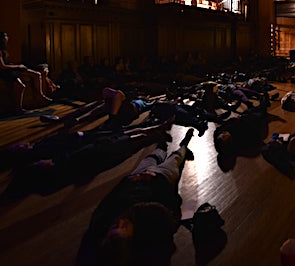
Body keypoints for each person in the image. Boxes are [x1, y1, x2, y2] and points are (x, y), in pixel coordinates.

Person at [79, 128, 196, 266]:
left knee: (152, 158)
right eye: (122, 227)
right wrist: (154, 180)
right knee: (175, 158)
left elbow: (111, 196)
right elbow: (174, 204)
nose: (121, 221)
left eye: (114, 226)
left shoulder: (101, 224)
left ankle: (162, 145)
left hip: (136, 178)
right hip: (160, 178)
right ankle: (184, 144)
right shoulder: (152, 227)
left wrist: (129, 179)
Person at [7, 117, 175, 179]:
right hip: (89, 145)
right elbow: (65, 155)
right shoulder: (42, 152)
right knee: (128, 139)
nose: (21, 144)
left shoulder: (40, 146)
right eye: (18, 147)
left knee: (126, 132)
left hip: (86, 137)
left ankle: (158, 128)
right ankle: (155, 134)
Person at [0, 31, 52, 114]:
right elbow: (2, 66)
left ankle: (40, 95)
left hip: (10, 69)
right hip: (4, 72)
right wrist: (18, 66)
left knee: (37, 74)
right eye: (5, 36)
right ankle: (18, 109)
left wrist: (17, 65)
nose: (7, 38)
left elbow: (7, 63)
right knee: (21, 85)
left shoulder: (4, 50)